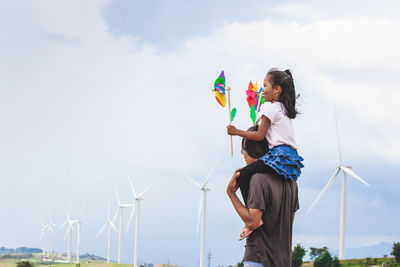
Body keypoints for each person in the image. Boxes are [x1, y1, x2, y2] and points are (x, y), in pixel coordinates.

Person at [227, 68, 304, 239]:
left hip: (277, 156)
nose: (262, 90)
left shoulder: (269, 108)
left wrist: (237, 132)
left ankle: (252, 218)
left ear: (277, 89)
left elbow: (260, 135)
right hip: (290, 158)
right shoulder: (284, 109)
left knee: (241, 175)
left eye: (265, 86)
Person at [227, 127, 299, 267]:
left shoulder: (258, 179)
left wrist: (231, 194)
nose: (243, 155)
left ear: (252, 150)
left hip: (259, 258)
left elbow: (253, 222)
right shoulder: (292, 182)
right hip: (283, 260)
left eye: (244, 151)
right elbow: (290, 221)